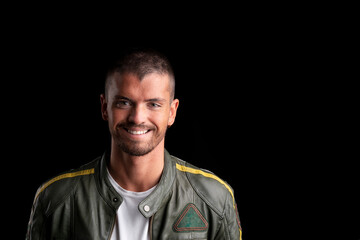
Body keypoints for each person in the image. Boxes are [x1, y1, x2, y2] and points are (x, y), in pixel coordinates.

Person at [26, 48, 242, 239]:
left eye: (154, 104)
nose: (137, 117)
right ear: (104, 107)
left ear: (172, 112)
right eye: (124, 102)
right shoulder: (55, 199)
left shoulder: (215, 199)